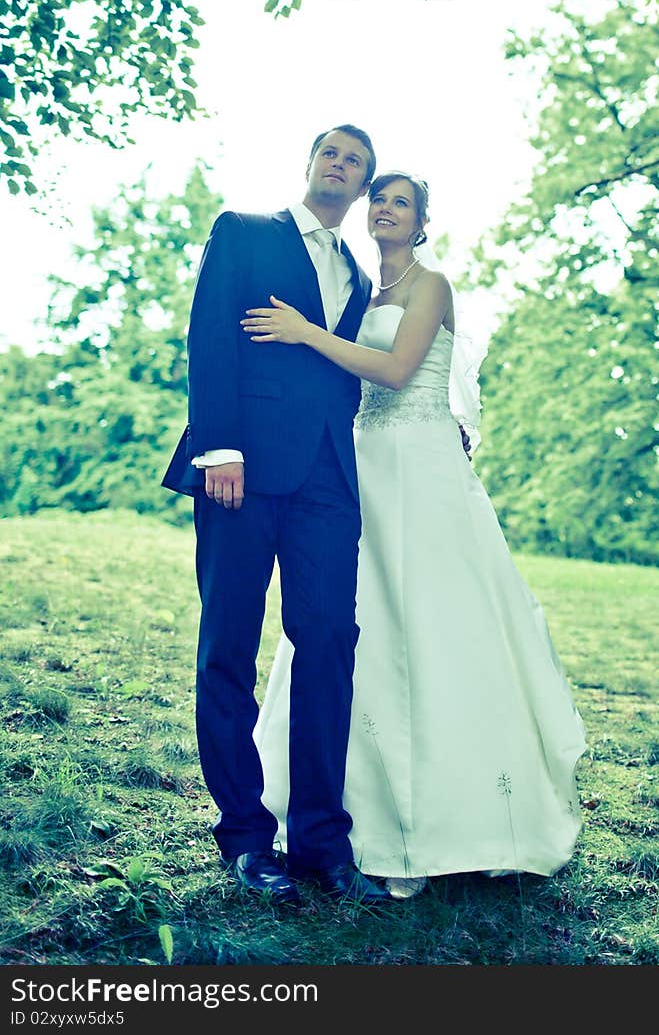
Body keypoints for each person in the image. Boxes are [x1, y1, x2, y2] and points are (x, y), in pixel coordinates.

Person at [244, 171, 586, 899]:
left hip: (422, 466)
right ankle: (347, 811)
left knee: (438, 622)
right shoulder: (358, 295)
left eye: (401, 202)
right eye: (380, 199)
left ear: (421, 221)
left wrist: (304, 334)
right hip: (361, 466)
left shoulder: (430, 286)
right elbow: (341, 384)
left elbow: (398, 371)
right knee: (348, 623)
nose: (385, 210)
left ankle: (461, 815)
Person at [161, 124, 390, 907]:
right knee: (228, 644)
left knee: (329, 642)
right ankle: (247, 839)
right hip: (242, 469)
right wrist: (219, 445)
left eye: (356, 161)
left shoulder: (360, 277)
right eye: (332, 152)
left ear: (364, 189)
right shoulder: (244, 231)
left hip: (329, 481)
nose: (341, 165)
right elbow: (209, 336)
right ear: (311, 163)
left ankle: (322, 842)